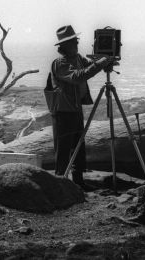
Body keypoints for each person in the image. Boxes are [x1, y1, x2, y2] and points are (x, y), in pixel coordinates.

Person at [50, 25, 113, 190]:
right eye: (72, 43)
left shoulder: (77, 58)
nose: (76, 45)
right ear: (64, 47)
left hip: (75, 109)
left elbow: (90, 66)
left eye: (76, 42)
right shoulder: (60, 63)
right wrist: (99, 64)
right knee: (64, 150)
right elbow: (79, 76)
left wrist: (105, 61)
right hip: (63, 111)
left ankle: (78, 183)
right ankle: (60, 184)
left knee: (78, 146)